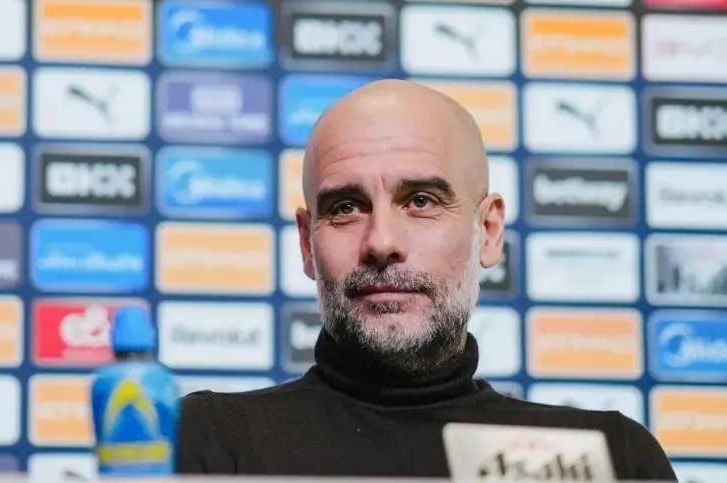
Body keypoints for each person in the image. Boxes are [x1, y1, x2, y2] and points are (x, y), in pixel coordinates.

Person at [176, 79, 675, 479]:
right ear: (308, 244)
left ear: (488, 231)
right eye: (346, 208)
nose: (381, 241)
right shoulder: (209, 444)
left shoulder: (614, 458)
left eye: (421, 201)